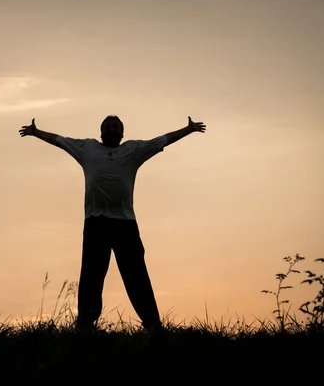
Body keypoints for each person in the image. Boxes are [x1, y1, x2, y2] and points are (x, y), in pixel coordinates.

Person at [18, 115, 206, 334]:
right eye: (107, 126)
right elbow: (60, 140)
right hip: (96, 223)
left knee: (136, 274)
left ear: (122, 133)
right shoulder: (87, 148)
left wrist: (188, 129)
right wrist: (36, 132)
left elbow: (162, 140)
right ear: (101, 132)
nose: (111, 129)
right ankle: (86, 325)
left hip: (125, 223)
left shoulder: (134, 149)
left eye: (115, 127)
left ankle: (153, 326)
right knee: (91, 275)